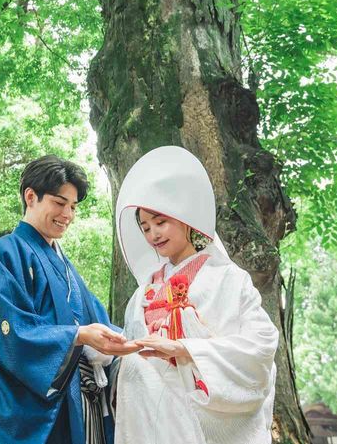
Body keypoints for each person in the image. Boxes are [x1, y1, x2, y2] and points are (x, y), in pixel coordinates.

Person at [112, 146, 280, 444]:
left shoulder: (228, 278)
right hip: (148, 417)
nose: (153, 235)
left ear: (185, 217)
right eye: (145, 227)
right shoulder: (143, 293)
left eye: (160, 222)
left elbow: (262, 345)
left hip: (198, 416)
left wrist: (187, 349)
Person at [0, 155, 139, 444]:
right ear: (31, 196)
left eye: (73, 207)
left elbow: (99, 322)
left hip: (82, 406)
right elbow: (9, 335)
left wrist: (133, 341)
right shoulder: (6, 254)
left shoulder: (67, 268)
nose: (68, 215)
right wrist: (77, 336)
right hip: (42, 410)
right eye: (59, 204)